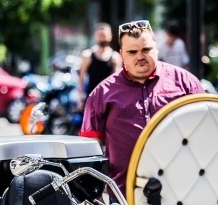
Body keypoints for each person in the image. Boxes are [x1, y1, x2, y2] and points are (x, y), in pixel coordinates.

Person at [80, 20, 204, 193]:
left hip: (182, 195)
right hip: (124, 199)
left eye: (146, 49)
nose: (140, 56)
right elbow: (89, 151)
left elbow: (206, 133)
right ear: (122, 54)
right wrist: (95, 198)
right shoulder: (101, 93)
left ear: (156, 47)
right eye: (132, 52)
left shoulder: (185, 83)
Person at [76, 23, 123, 111]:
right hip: (91, 100)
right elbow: (81, 78)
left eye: (104, 35)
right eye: (100, 35)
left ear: (110, 36)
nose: (102, 37)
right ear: (95, 36)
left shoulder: (115, 57)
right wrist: (80, 99)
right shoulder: (88, 55)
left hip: (108, 101)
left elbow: (117, 82)